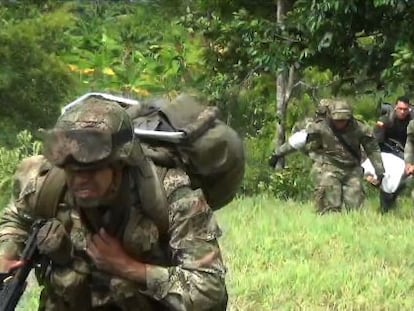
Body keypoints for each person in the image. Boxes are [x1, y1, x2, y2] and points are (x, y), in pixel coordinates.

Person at [0, 97, 228, 310]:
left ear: (120, 164)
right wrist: (7, 252)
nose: (79, 180)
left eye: (91, 170)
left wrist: (129, 267)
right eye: (72, 171)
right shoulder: (47, 184)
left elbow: (209, 289)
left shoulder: (171, 194)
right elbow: (17, 217)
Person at [269, 99, 385, 214]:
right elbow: (297, 141)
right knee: (331, 205)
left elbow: (373, 150)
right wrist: (277, 154)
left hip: (353, 170)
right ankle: (330, 228)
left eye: (344, 120)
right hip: (331, 167)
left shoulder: (360, 129)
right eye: (337, 120)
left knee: (355, 208)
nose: (340, 123)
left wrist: (379, 171)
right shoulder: (320, 127)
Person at [373, 96, 412, 212]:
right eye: (400, 108)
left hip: (406, 155)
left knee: (405, 180)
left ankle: (391, 203)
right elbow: (375, 142)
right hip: (388, 154)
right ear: (395, 107)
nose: (402, 111)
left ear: (409, 108)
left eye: (405, 109)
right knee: (387, 178)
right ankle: (384, 208)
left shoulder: (412, 121)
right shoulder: (386, 120)